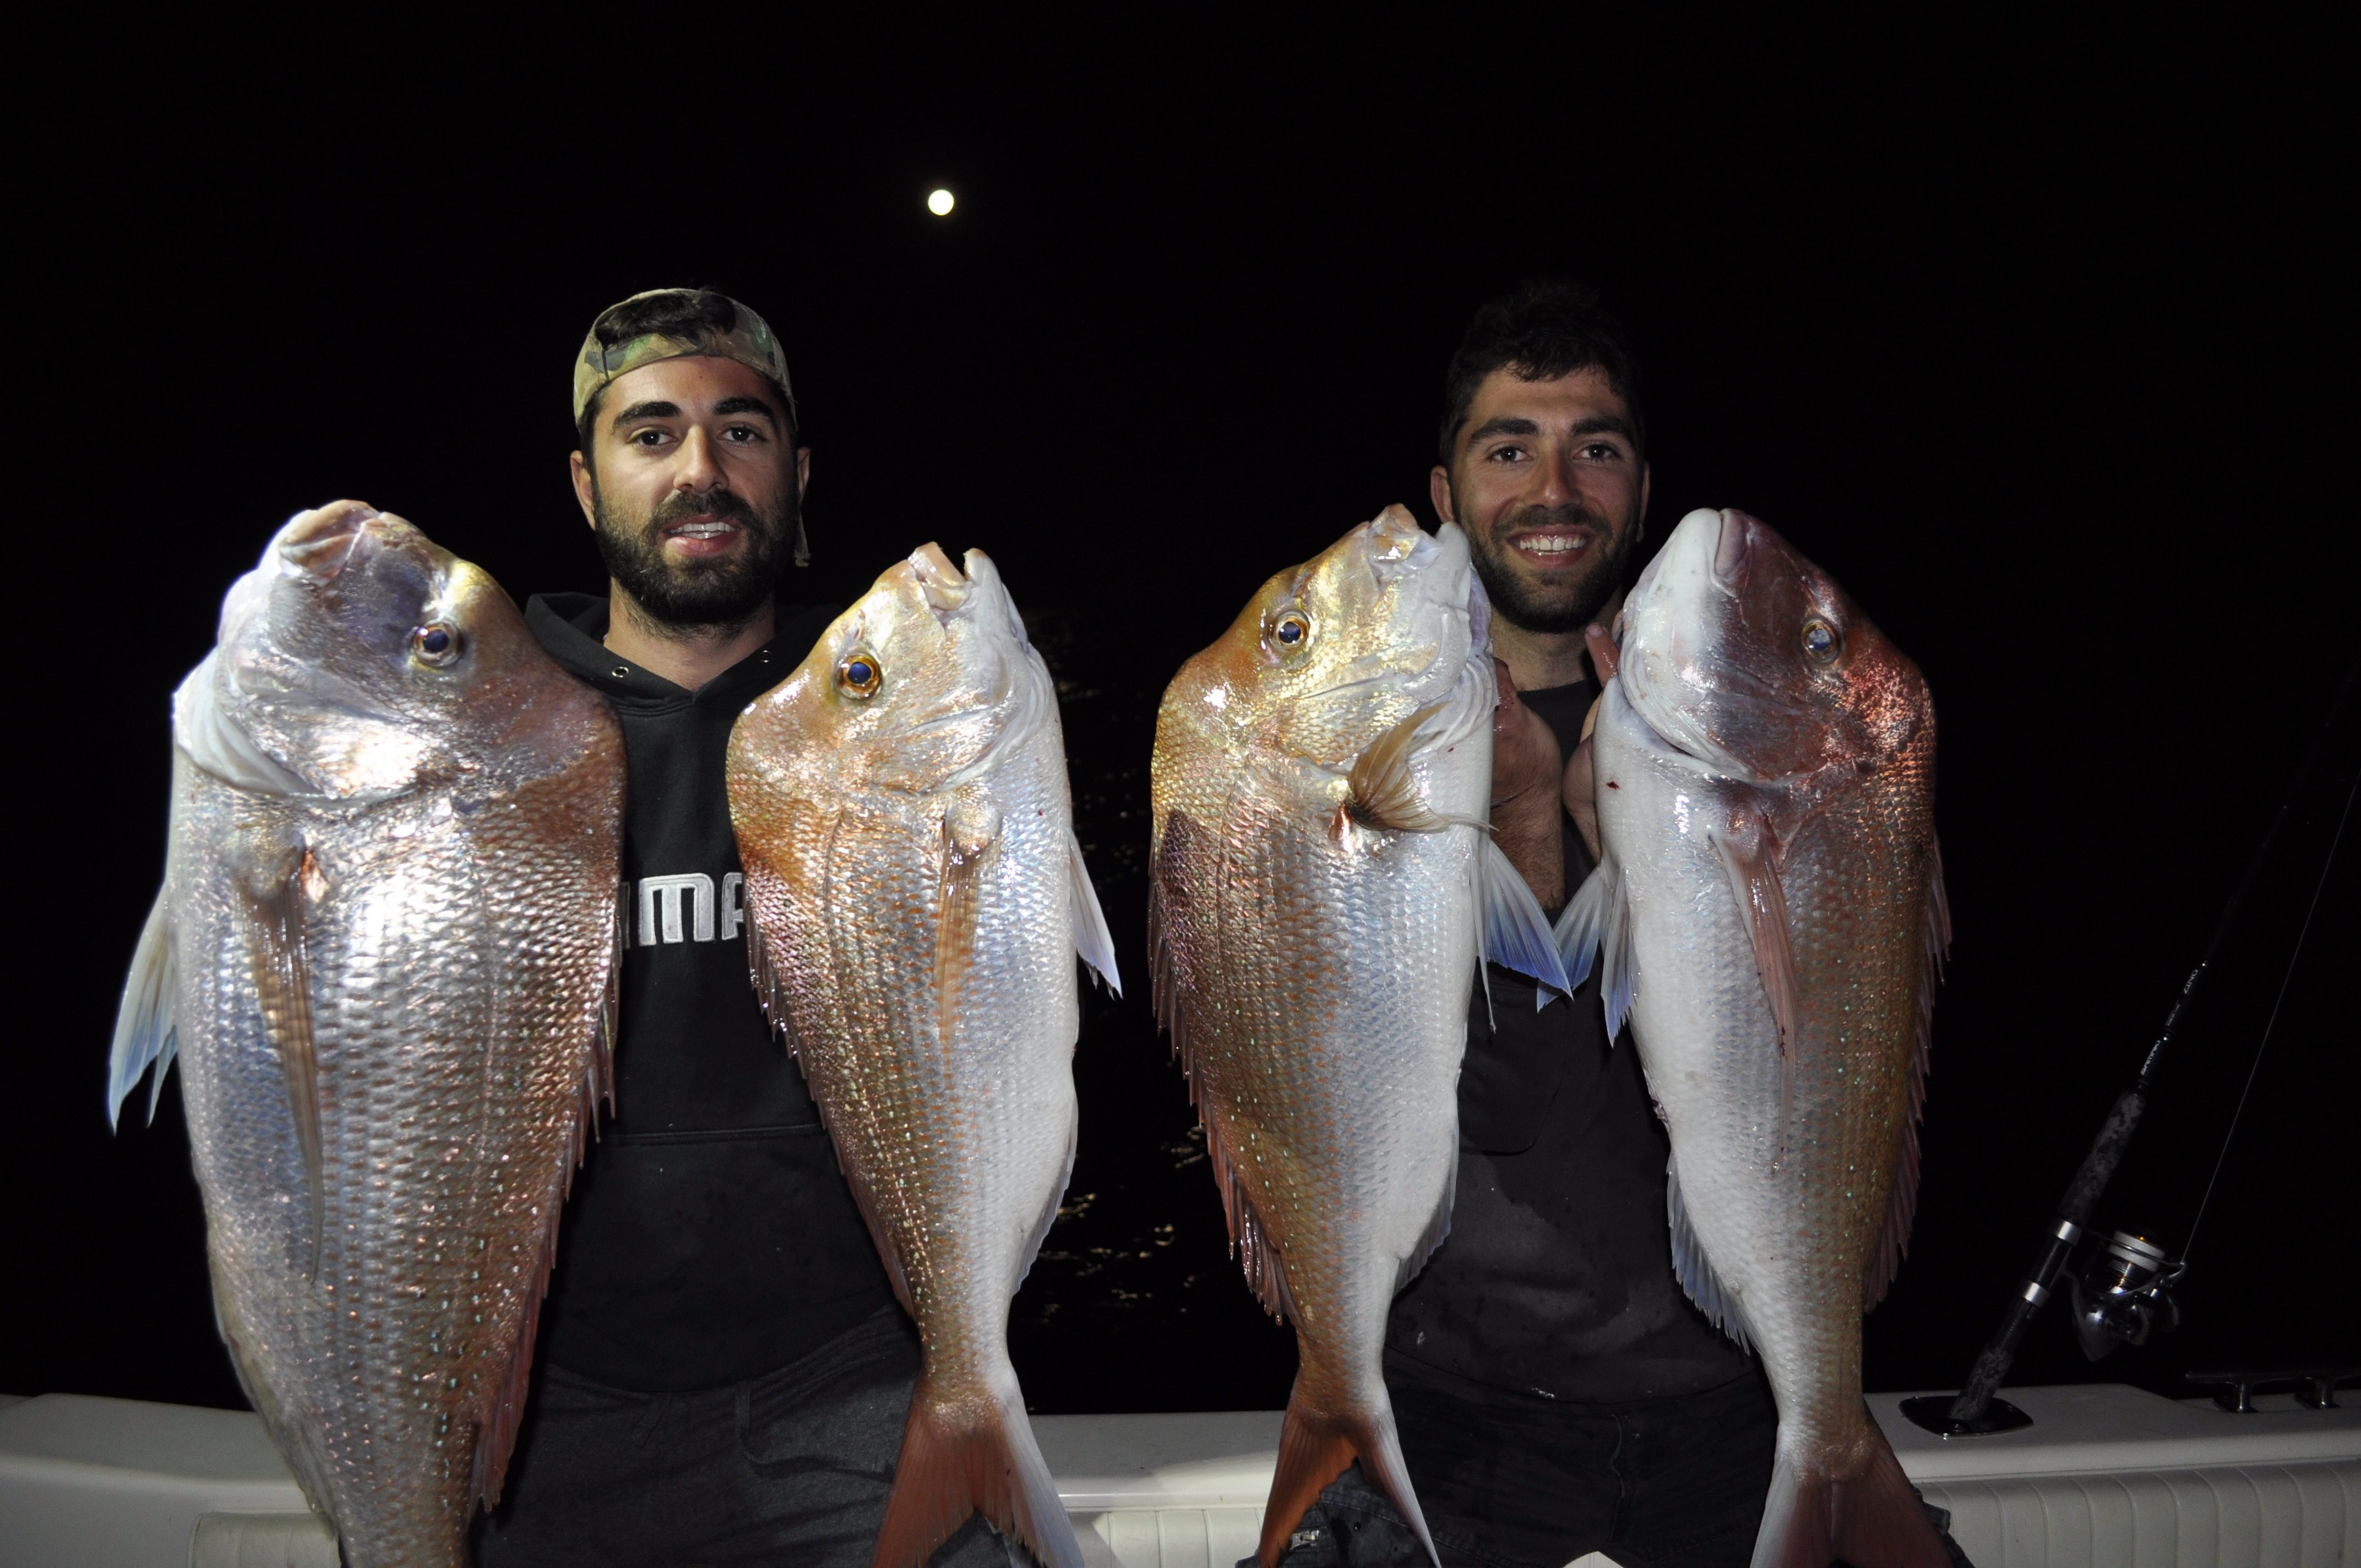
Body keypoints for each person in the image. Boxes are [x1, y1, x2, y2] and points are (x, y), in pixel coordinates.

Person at [476, 288, 1010, 1567]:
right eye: (649, 434)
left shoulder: (897, 727)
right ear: (584, 481)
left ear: (798, 470)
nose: (700, 470)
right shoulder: (491, 745)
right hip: (547, 1413)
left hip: (856, 1386)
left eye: (742, 430)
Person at [1272, 281, 1779, 1568]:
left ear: (1641, 488)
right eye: (1508, 449)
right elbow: (1472, 1108)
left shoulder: (1743, 746)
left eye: (1592, 448)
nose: (1553, 488)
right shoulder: (1364, 772)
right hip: (1452, 1394)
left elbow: (1798, 1069)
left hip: (1739, 1383)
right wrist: (1516, 823)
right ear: (1444, 496)